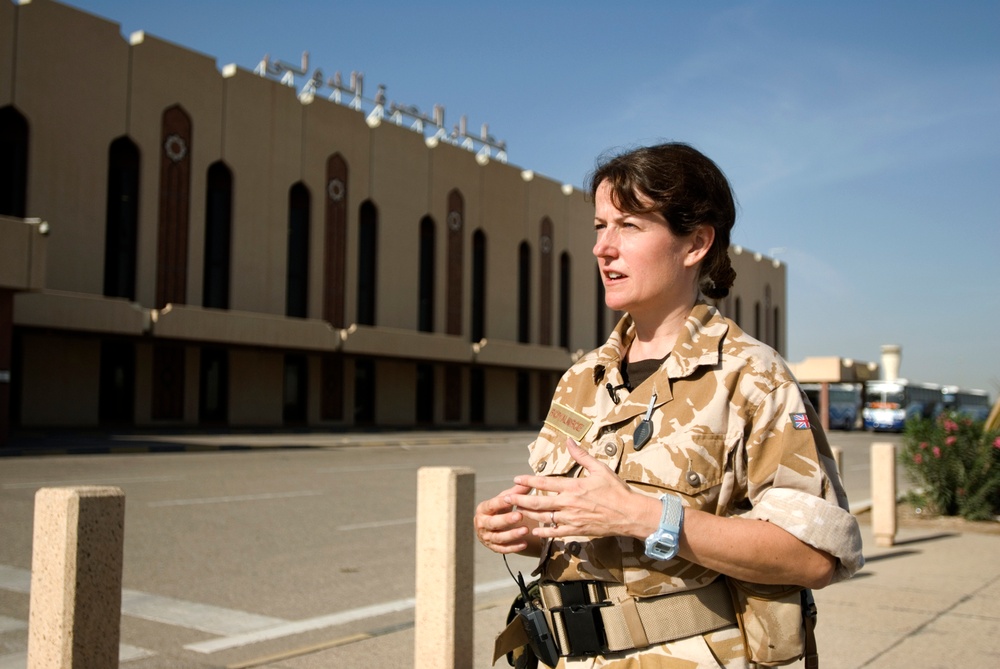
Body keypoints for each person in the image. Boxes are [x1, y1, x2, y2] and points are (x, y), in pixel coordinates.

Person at [475, 142, 863, 668]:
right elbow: (588, 531)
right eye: (598, 226)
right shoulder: (580, 380)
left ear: (696, 243)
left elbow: (813, 557)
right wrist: (528, 530)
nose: (602, 248)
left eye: (629, 226)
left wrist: (646, 516)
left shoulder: (753, 377)